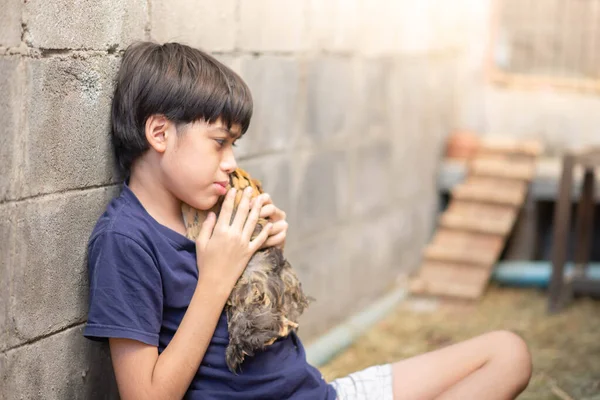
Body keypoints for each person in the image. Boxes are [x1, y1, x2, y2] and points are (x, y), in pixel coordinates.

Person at [84, 41, 532, 400]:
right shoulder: (126, 239)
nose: (231, 161)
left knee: (508, 354)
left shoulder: (216, 207)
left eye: (234, 145)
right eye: (219, 143)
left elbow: (262, 332)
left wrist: (267, 257)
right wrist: (216, 279)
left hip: (319, 392)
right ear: (159, 133)